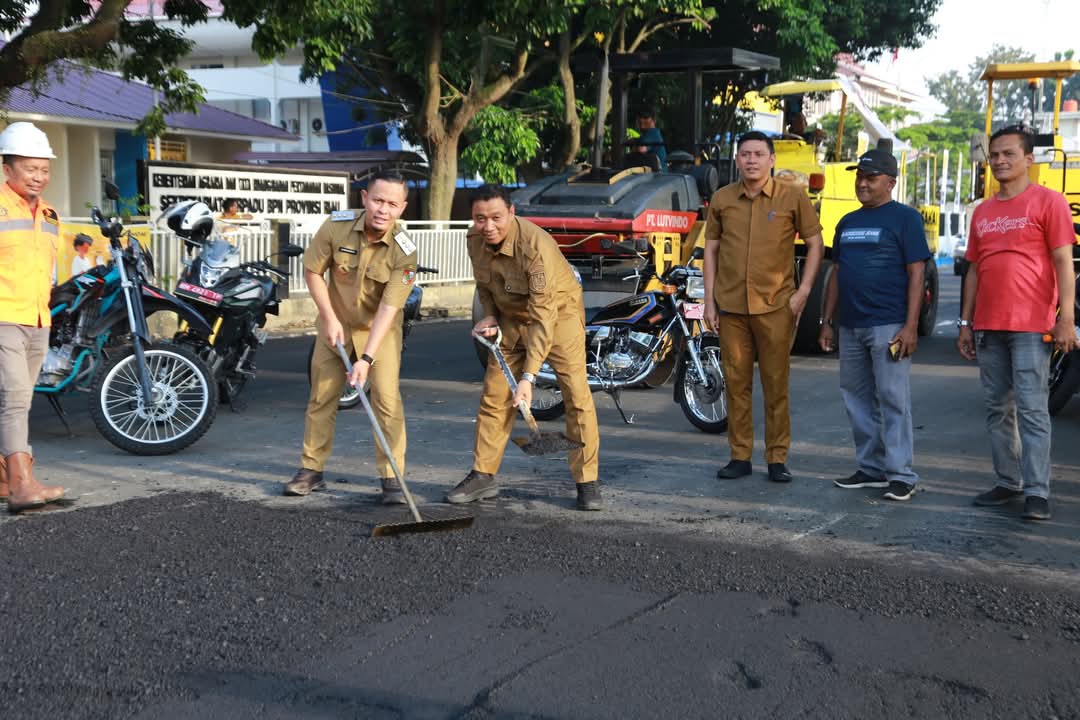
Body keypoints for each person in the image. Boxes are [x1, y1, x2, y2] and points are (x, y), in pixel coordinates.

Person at [447, 184, 602, 511]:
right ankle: (483, 475)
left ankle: (587, 481)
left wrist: (529, 378)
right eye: (479, 218)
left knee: (576, 394)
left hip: (557, 317)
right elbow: (484, 286)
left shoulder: (535, 245)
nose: (488, 226)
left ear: (512, 213)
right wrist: (489, 315)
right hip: (509, 318)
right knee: (494, 396)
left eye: (496, 218)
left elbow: (543, 317)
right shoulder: (474, 240)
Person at [958, 125, 1079, 521]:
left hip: (1031, 325)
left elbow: (1064, 262)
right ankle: (1007, 482)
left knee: (1032, 409)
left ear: (1029, 159)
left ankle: (1037, 491)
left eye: (1008, 154)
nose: (999, 161)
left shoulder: (1050, 202)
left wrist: (1066, 318)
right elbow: (974, 270)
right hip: (989, 326)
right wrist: (965, 323)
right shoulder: (983, 211)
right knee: (997, 408)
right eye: (994, 155)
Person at [285, 171, 418, 503]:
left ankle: (391, 479)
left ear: (402, 208)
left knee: (386, 402)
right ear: (364, 199)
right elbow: (313, 271)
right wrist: (329, 319)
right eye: (377, 200)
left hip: (380, 333)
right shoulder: (336, 226)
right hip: (336, 326)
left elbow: (389, 308)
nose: (382, 210)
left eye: (391, 204)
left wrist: (367, 359)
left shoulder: (405, 251)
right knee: (322, 397)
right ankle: (311, 470)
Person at [702, 131, 825, 484]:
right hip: (731, 306)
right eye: (745, 154)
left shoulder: (792, 197)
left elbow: (815, 244)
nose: (751, 160)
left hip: (775, 305)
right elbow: (710, 250)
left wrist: (803, 292)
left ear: (772, 160)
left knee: (775, 384)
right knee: (736, 383)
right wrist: (709, 301)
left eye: (758, 154)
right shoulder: (723, 199)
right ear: (737, 160)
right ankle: (740, 456)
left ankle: (777, 458)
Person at [819, 149, 930, 501]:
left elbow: (917, 273)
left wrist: (910, 326)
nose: (862, 183)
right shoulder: (847, 222)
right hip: (850, 325)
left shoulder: (905, 219)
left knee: (892, 399)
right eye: (859, 177)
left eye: (871, 178)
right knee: (856, 399)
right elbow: (836, 273)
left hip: (889, 324)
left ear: (891, 182)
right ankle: (871, 469)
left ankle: (901, 474)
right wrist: (826, 322)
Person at [0, 122, 67, 511]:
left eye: (44, 169)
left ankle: (7, 478)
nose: (39, 177)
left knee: (19, 402)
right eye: (30, 169)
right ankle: (23, 484)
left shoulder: (52, 214)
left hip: (38, 318)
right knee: (14, 398)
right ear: (7, 169)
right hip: (4, 315)